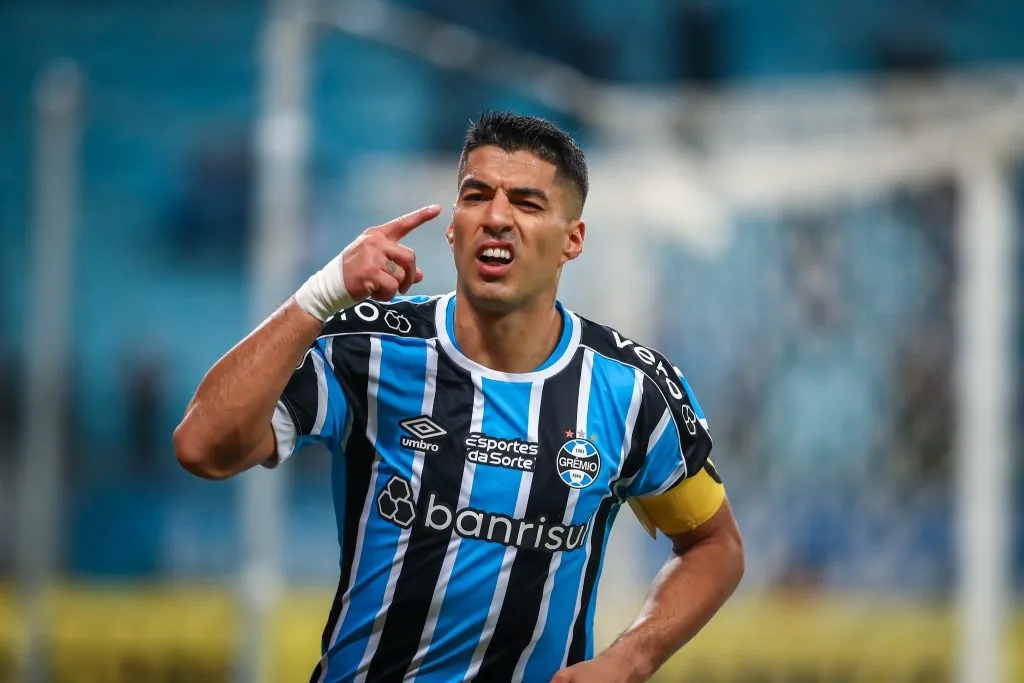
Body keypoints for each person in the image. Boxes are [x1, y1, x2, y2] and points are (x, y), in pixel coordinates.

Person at [173, 111, 744, 683]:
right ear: (452, 226)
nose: (496, 218)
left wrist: (631, 659)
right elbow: (202, 448)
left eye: (527, 203)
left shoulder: (633, 390)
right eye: (476, 196)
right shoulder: (369, 348)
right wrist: (319, 297)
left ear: (573, 240)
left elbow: (714, 546)